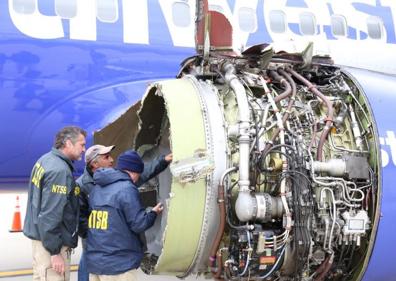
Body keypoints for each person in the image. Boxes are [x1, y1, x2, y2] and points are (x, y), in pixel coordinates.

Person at [86, 150, 172, 281]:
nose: (139, 178)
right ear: (134, 172)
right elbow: (139, 224)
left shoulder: (98, 186)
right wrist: (152, 212)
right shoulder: (127, 189)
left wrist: (162, 161)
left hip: (96, 264)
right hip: (119, 266)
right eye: (138, 173)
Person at [23, 126, 87, 281]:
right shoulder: (59, 171)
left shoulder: (45, 159)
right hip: (50, 245)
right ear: (68, 143)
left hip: (41, 240)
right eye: (82, 144)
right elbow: (50, 214)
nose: (84, 149)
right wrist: (54, 252)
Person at [76, 144, 115, 281]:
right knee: (88, 264)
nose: (112, 160)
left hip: (109, 239)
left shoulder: (112, 178)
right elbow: (80, 218)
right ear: (95, 164)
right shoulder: (81, 186)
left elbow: (139, 176)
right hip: (93, 240)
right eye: (106, 157)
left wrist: (162, 161)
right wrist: (93, 236)